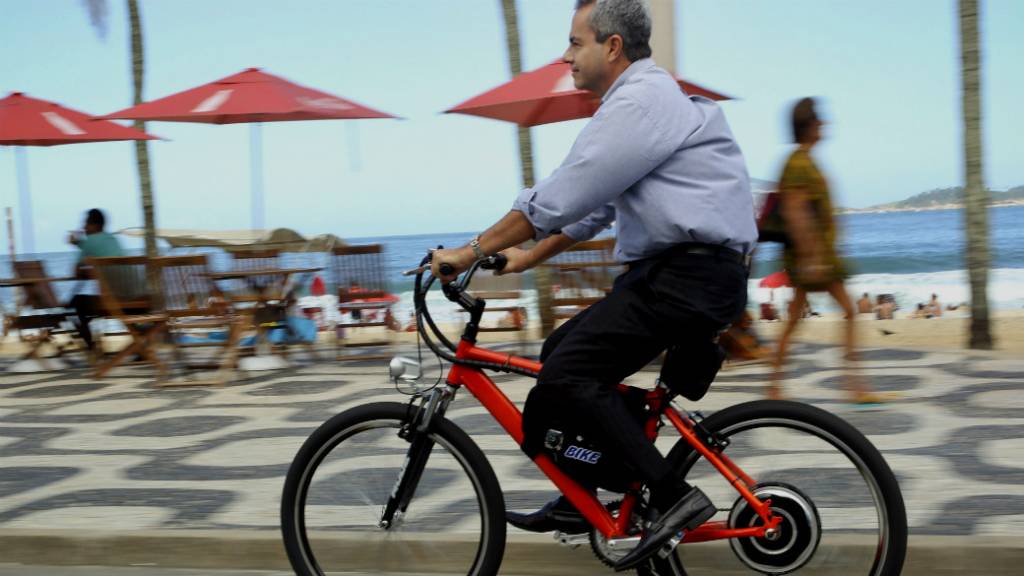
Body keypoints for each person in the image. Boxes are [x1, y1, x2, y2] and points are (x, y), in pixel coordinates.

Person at [431, 1, 755, 568]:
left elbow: (564, 194)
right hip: (686, 275)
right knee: (559, 355)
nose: (565, 55)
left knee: (568, 374)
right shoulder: (644, 103)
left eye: (575, 42)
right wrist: (526, 258)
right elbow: (595, 208)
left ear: (612, 46)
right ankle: (585, 499)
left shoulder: (639, 103)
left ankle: (672, 496)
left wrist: (470, 251)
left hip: (685, 277)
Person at [767, 98, 881, 404]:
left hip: (816, 254)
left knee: (795, 319)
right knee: (848, 312)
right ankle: (854, 385)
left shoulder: (804, 160)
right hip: (814, 256)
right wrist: (812, 257)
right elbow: (795, 211)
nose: (824, 125)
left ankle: (775, 386)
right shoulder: (799, 164)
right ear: (808, 126)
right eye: (819, 121)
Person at [67, 209, 125, 353]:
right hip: (131, 298)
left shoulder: (89, 242)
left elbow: (76, 272)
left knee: (74, 304)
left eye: (86, 224)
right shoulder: (113, 239)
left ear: (95, 225)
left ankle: (91, 347)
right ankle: (141, 345)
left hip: (111, 302)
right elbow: (98, 247)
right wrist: (80, 244)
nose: (84, 227)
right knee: (78, 302)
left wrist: (79, 245)